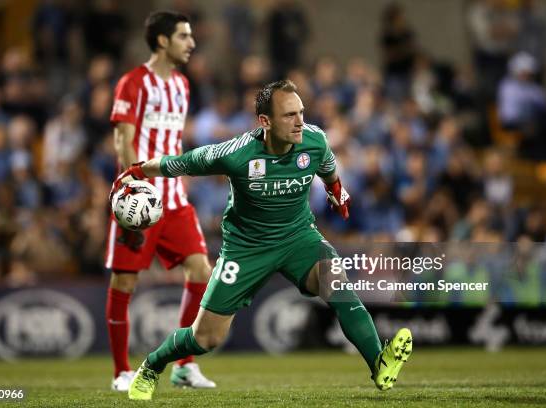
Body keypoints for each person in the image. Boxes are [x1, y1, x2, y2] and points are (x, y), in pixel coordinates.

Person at [110, 80, 413, 400]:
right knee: (206, 339)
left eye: (301, 112)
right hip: (245, 249)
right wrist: (138, 171)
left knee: (336, 282)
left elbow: (327, 167)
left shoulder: (314, 140)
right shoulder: (236, 154)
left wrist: (336, 190)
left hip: (298, 238)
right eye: (288, 115)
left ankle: (379, 364)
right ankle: (152, 365)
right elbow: (179, 163)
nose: (299, 122)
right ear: (265, 122)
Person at [106, 11, 215, 391]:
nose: (192, 43)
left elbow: (173, 142)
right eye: (184, 36)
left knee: (202, 270)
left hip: (176, 200)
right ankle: (122, 371)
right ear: (163, 41)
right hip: (140, 199)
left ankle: (183, 365)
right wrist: (134, 187)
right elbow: (123, 139)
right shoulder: (133, 83)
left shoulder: (183, 86)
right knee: (124, 280)